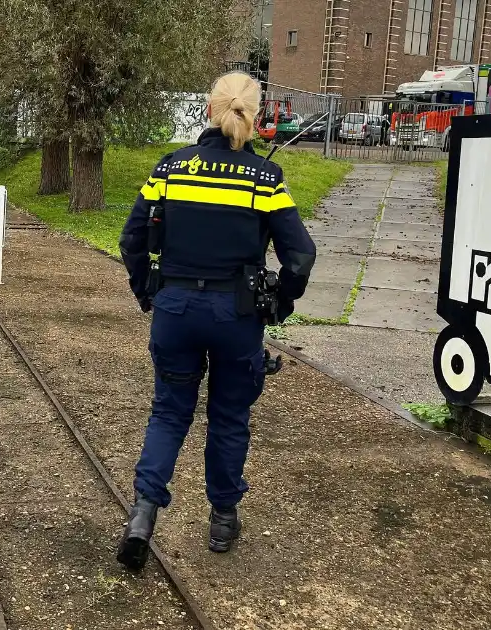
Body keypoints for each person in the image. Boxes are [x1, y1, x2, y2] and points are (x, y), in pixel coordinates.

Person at [115, 71, 316, 570]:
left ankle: (142, 515)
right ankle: (223, 519)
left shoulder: (170, 169)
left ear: (209, 110)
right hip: (236, 315)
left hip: (176, 310)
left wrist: (148, 295)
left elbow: (131, 239)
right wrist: (279, 303)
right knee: (228, 418)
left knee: (168, 412)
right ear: (257, 116)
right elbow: (301, 255)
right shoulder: (264, 180)